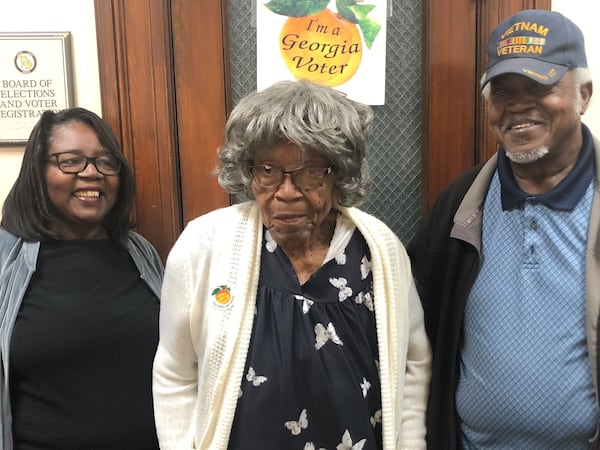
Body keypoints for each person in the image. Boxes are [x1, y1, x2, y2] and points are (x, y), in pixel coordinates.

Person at [153, 79, 431, 449]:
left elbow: (413, 366)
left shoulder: (379, 250)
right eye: (267, 170)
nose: (286, 191)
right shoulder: (204, 247)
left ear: (339, 173)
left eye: (311, 171)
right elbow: (175, 373)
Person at [407, 9, 599, 449]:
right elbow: (415, 323)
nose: (516, 106)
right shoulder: (462, 202)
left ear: (583, 94)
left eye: (539, 86)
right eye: (502, 91)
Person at [0, 107, 164, 449]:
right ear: (38, 171)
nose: (92, 173)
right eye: (71, 161)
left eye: (106, 162)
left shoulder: (141, 254)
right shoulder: (6, 260)